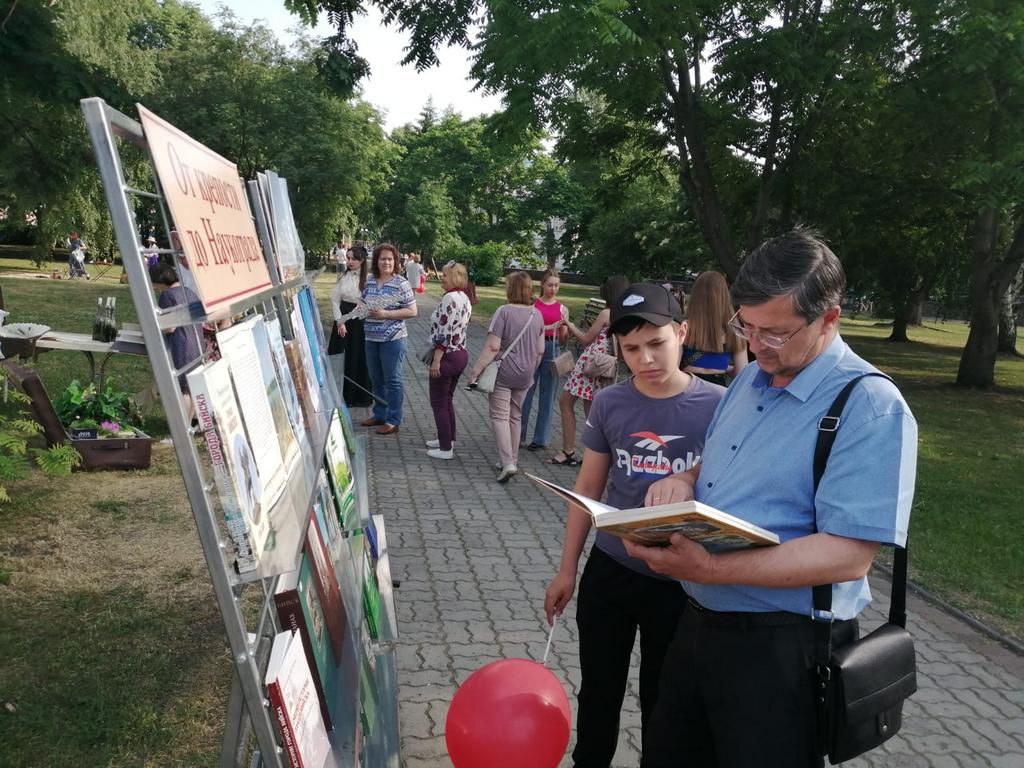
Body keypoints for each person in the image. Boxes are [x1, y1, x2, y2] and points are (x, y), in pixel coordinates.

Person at [628, 227, 918, 768]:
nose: (756, 344)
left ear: (829, 318)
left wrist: (713, 569)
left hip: (785, 648)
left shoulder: (870, 406)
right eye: (747, 325)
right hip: (698, 627)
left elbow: (850, 556)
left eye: (776, 332)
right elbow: (719, 460)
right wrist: (686, 481)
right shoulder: (753, 375)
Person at [544, 282, 725, 767]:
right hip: (611, 571)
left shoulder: (720, 406)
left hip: (679, 582)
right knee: (598, 693)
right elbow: (587, 491)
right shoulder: (610, 404)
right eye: (631, 349)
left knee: (662, 704)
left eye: (656, 343)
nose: (645, 358)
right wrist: (567, 570)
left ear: (682, 332)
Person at [466, 271, 544, 483]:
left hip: (504, 371)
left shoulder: (503, 312)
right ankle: (512, 459)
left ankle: (507, 462)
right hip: (526, 372)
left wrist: (475, 371)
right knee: (515, 415)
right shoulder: (537, 315)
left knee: (500, 416)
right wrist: (530, 368)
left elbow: (493, 346)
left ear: (510, 289)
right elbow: (540, 350)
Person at [548, 274, 631, 467]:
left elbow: (586, 340)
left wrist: (570, 325)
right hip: (603, 368)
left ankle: (569, 451)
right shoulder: (624, 315)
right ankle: (599, 455)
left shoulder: (606, 313)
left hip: (590, 365)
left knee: (565, 402)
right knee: (591, 413)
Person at [361, 243, 417, 434]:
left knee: (392, 380)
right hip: (370, 337)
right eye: (383, 258)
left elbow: (412, 311)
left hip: (393, 339)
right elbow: (363, 302)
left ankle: (393, 419)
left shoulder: (401, 283)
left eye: (390, 259)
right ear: (376, 261)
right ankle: (379, 414)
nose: (386, 262)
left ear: (396, 262)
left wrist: (386, 314)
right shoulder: (370, 281)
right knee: (376, 379)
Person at [424, 261, 473, 459]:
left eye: (445, 275)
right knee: (447, 400)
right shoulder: (464, 298)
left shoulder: (449, 298)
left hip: (448, 354)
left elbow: (444, 332)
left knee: (439, 402)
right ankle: (448, 438)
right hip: (461, 353)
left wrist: (436, 360)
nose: (441, 278)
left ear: (454, 277)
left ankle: (446, 449)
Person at [520, 268, 569, 451]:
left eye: (556, 285)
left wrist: (565, 331)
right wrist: (549, 325)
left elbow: (564, 338)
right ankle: (519, 434)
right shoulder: (533, 305)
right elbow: (528, 329)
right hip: (533, 348)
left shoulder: (562, 308)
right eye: (550, 285)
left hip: (553, 349)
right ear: (542, 284)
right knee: (526, 392)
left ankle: (541, 438)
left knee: (547, 396)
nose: (553, 289)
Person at [149, 262, 202, 420]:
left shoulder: (167, 295)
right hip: (197, 343)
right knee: (191, 388)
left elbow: (170, 327)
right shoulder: (189, 291)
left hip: (182, 345)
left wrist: (151, 330)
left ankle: (181, 432)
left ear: (159, 280)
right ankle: (188, 429)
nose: (154, 287)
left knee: (182, 389)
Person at [680, 271, 748, 386]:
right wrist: (725, 367)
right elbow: (742, 373)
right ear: (725, 296)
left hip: (687, 384)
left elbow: (672, 366)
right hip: (717, 387)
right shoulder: (735, 331)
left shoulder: (684, 327)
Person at [328, 245, 373, 409]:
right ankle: (338, 393)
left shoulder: (368, 279)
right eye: (348, 258)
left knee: (357, 355)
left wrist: (349, 318)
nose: (350, 261)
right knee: (339, 354)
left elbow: (367, 303)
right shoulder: (343, 276)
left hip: (358, 321)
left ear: (361, 260)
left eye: (353, 258)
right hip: (342, 319)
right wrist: (339, 321)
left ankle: (357, 396)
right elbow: (335, 299)